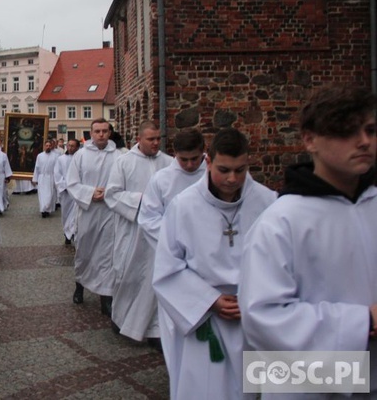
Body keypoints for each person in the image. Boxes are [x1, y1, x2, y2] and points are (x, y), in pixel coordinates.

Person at [239, 86, 377, 398]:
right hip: (310, 386)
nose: (364, 141)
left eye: (370, 130)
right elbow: (263, 318)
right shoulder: (279, 223)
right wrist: (363, 322)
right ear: (309, 139)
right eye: (345, 130)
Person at [152, 128, 276, 400]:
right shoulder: (183, 207)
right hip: (206, 317)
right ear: (208, 162)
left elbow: (280, 262)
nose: (232, 179)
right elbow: (166, 270)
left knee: (253, 389)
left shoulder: (268, 202)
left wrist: (256, 297)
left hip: (252, 315)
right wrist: (210, 301)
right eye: (224, 170)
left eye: (240, 170)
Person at [137, 128, 206, 398]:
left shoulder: (215, 175)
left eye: (195, 159)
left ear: (204, 152)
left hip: (208, 264)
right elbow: (149, 218)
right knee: (178, 329)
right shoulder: (162, 179)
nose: (190, 165)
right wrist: (176, 242)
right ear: (175, 154)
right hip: (174, 262)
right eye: (183, 159)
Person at [105, 121, 173, 335]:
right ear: (139, 139)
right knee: (129, 275)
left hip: (160, 231)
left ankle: (154, 329)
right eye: (150, 139)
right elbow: (112, 194)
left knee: (155, 278)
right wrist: (142, 200)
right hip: (132, 229)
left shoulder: (169, 163)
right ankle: (122, 318)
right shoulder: (124, 162)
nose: (155, 143)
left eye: (158, 139)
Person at [66, 118, 119, 310]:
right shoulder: (80, 155)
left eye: (105, 131)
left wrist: (109, 192)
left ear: (109, 133)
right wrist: (89, 193)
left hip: (109, 211)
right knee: (85, 250)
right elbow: (71, 182)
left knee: (107, 253)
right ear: (91, 134)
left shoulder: (119, 156)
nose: (101, 135)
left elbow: (123, 181)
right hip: (87, 211)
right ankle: (79, 285)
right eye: (97, 131)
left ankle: (106, 295)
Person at [54, 139, 80, 245]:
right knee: (66, 214)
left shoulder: (80, 159)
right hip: (65, 191)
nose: (70, 148)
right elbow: (57, 174)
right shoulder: (61, 159)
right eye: (69, 145)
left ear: (77, 147)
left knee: (76, 214)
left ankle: (74, 232)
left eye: (73, 146)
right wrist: (63, 185)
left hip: (78, 191)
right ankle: (66, 233)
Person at [32, 139, 59, 218]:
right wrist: (35, 179)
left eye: (49, 146)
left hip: (51, 177)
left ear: (51, 146)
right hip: (42, 178)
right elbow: (36, 168)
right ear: (44, 146)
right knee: (42, 194)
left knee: (50, 195)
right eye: (46, 146)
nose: (48, 147)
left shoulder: (55, 156)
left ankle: (47, 208)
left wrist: (57, 179)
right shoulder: (40, 156)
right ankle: (43, 210)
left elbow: (57, 168)